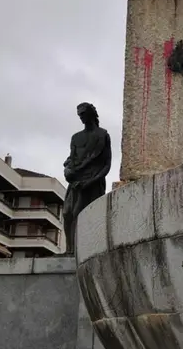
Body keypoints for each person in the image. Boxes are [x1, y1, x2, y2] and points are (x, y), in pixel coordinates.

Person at [63, 103, 112, 255]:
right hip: (75, 181)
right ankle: (69, 249)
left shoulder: (103, 135)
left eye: (83, 114)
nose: (81, 117)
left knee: (80, 213)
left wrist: (91, 181)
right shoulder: (76, 137)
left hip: (92, 181)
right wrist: (68, 169)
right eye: (79, 115)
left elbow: (107, 165)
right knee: (66, 213)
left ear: (91, 114)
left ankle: (82, 251)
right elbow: (72, 158)